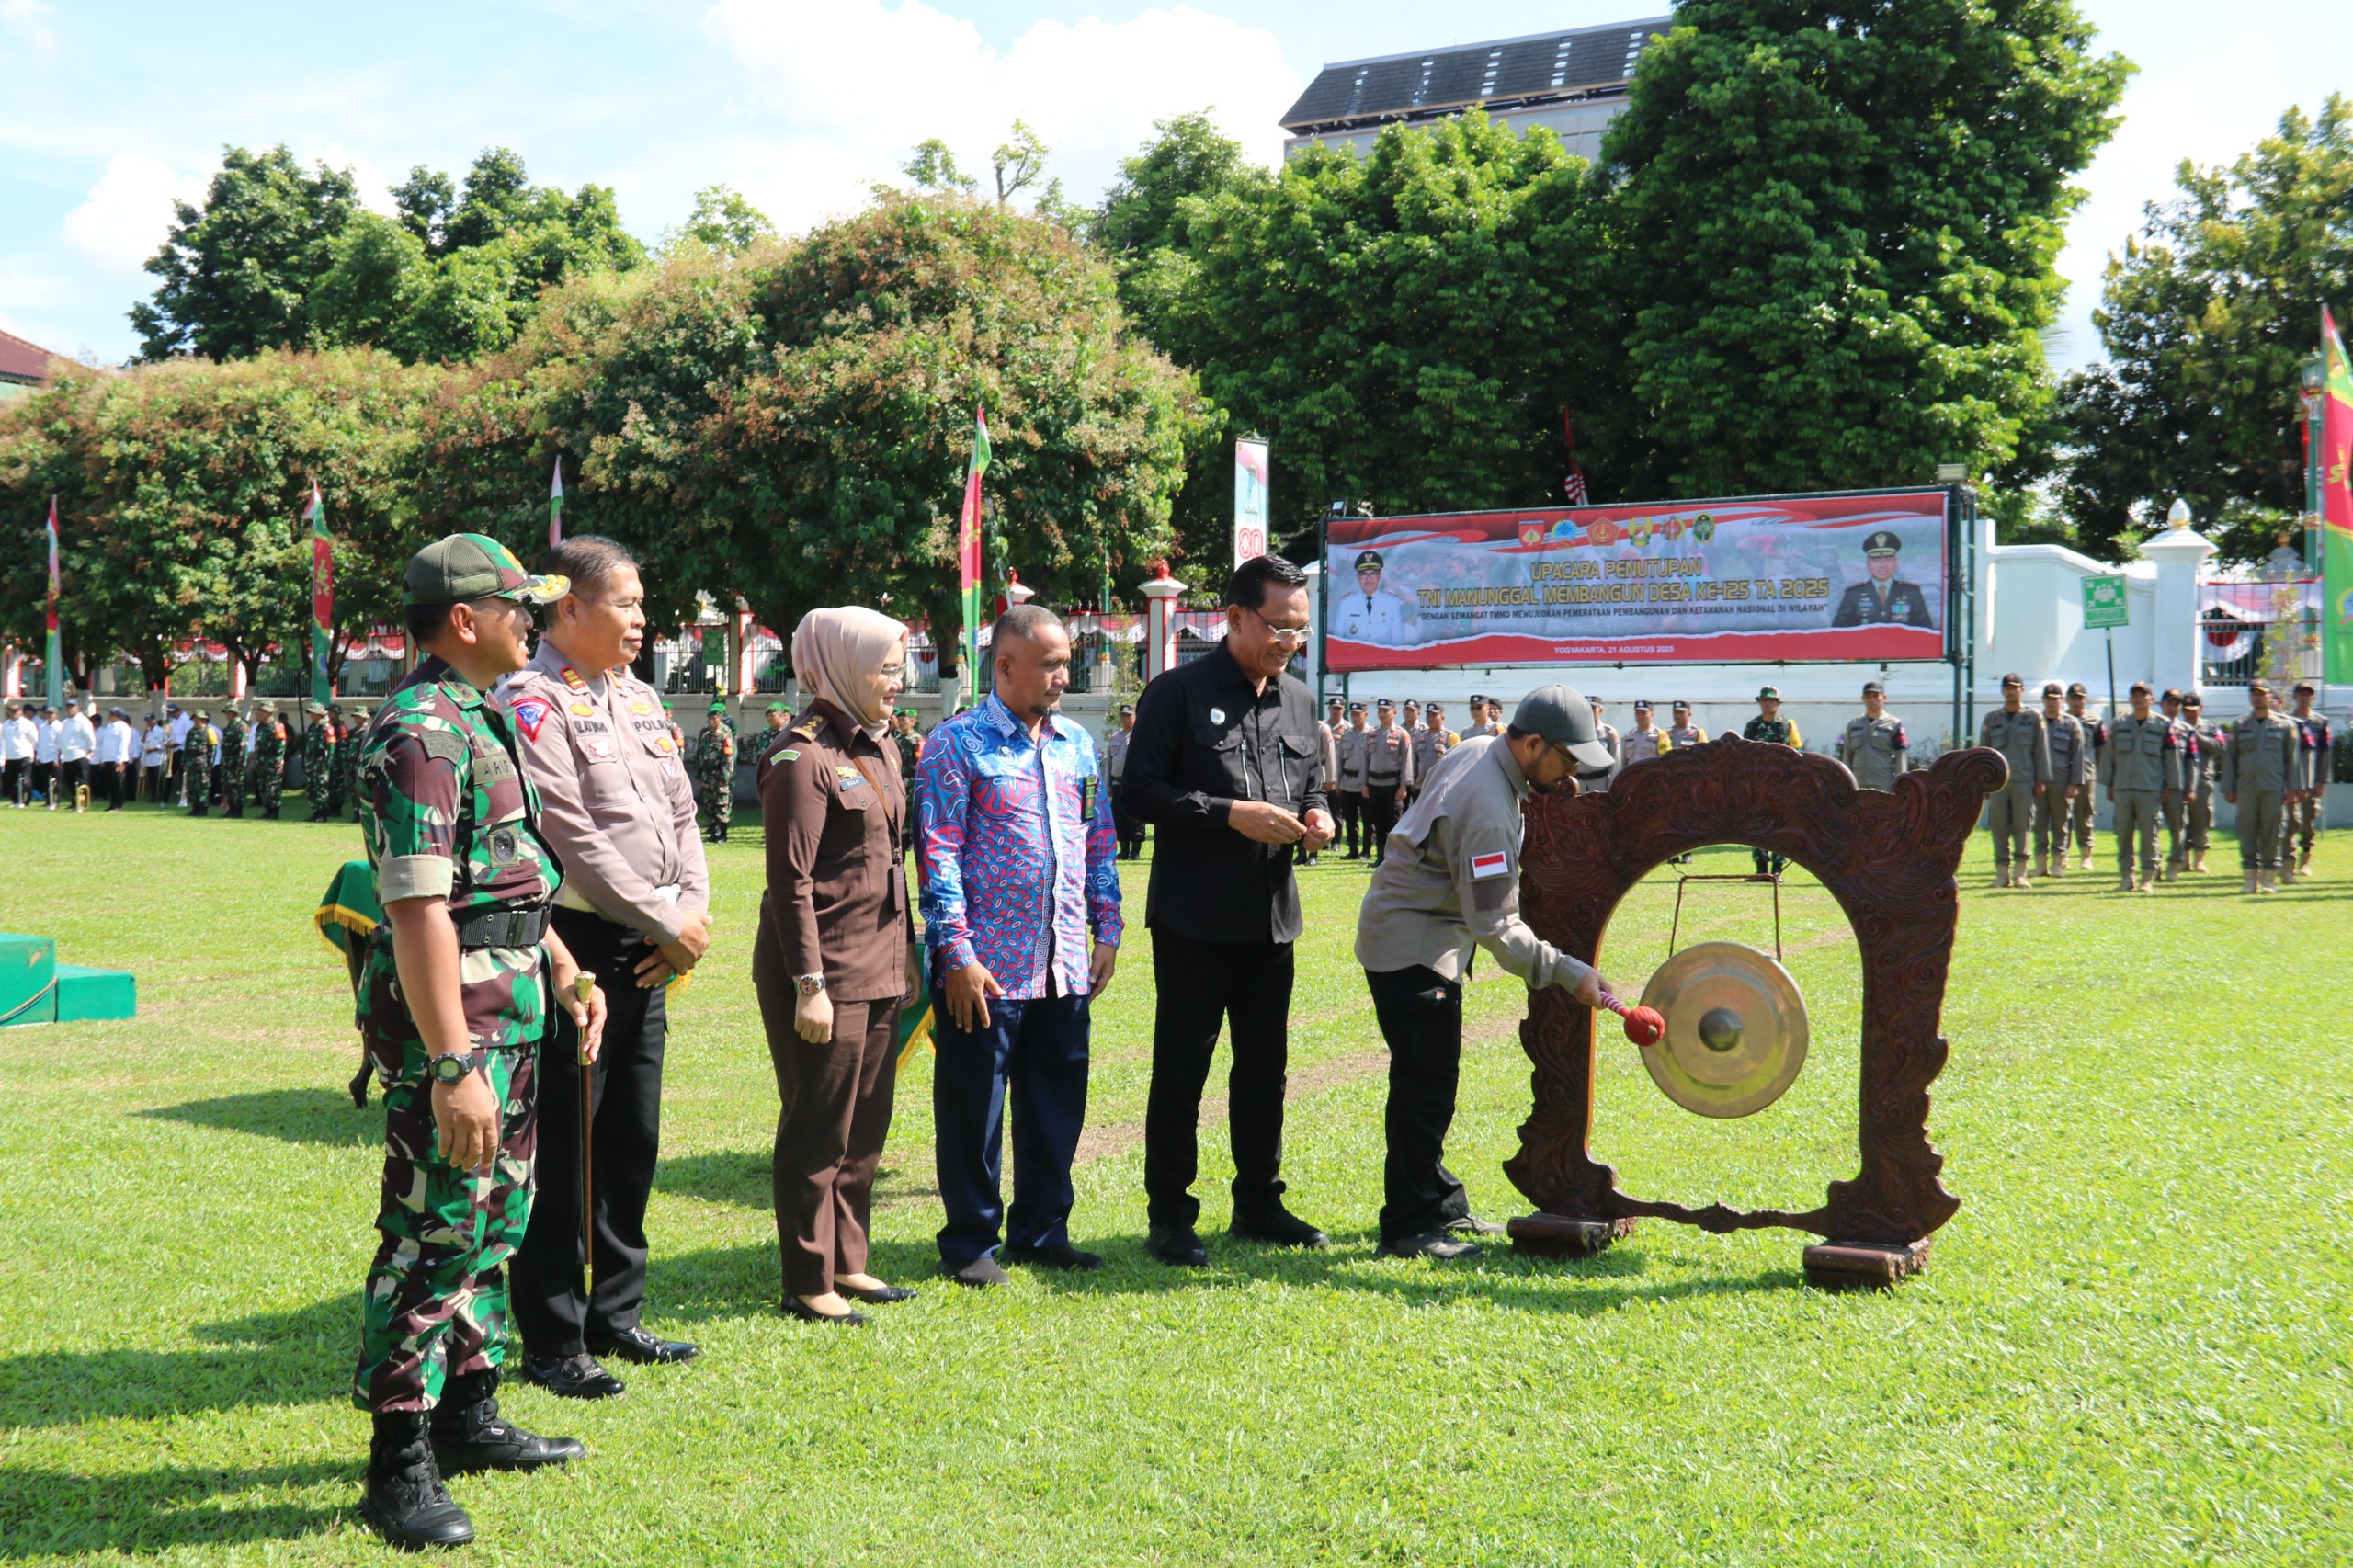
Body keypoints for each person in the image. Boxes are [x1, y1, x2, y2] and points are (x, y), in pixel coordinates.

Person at [348, 533, 605, 1551]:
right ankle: (398, 1456)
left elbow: (506, 879)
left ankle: (468, 1409)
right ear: (463, 620)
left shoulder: (477, 713)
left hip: (513, 1008)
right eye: (516, 605)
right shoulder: (420, 732)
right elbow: (419, 913)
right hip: (458, 1025)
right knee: (433, 1228)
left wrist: (567, 967)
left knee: (495, 1217)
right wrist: (454, 1063)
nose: (531, 620)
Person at [503, 536, 711, 1395]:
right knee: (566, 1146)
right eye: (625, 602)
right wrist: (666, 918)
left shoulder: (639, 696)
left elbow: (683, 811)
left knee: (631, 1137)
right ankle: (554, 1339)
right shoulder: (533, 701)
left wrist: (686, 914)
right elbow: (568, 837)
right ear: (571, 608)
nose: (641, 617)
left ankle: (615, 1317)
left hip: (651, 947)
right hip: (578, 949)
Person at [1120, 553, 1336, 1267]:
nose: (1287, 642)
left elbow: (1312, 783)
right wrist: (1226, 814)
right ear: (1236, 616)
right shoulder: (1175, 693)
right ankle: (1171, 1216)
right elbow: (1140, 793)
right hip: (1193, 918)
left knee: (1264, 1066)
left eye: (1298, 632)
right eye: (1277, 627)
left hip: (1272, 916)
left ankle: (1259, 1203)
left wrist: (1318, 812)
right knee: (1184, 1066)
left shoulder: (1300, 701)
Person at [1356, 687, 1622, 1258]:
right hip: (1413, 950)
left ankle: (1439, 1203)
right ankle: (1408, 1227)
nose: (1573, 771)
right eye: (1568, 758)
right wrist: (1571, 973)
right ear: (1531, 745)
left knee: (1427, 1082)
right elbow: (1498, 930)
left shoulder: (1480, 750)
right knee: (1424, 1090)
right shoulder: (1489, 808)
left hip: (1411, 934)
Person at [917, 605, 1120, 1288]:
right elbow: (938, 852)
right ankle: (971, 1240)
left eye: (1067, 661)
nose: (1064, 675)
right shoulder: (957, 743)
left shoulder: (1077, 746)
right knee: (976, 1107)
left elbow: (1099, 840)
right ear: (1004, 667)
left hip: (1064, 961)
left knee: (1057, 1101)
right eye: (1051, 663)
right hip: (986, 968)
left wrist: (1108, 929)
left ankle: (1042, 1230)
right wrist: (956, 953)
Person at [759, 607, 919, 1320]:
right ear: (843, 665)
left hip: (881, 964)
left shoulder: (878, 747)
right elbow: (790, 882)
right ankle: (808, 1279)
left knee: (864, 1129)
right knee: (818, 1129)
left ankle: (850, 1264)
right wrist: (810, 986)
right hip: (824, 973)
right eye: (884, 668)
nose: (897, 681)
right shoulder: (803, 757)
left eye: (898, 667)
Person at [2219, 680, 2300, 894]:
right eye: (2253, 694)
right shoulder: (2239, 725)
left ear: (2269, 697)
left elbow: (2292, 759)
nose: (2257, 697)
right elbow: (2231, 758)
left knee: (2272, 833)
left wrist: (2293, 788)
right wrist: (2228, 786)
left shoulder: (2285, 726)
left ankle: (2268, 879)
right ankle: (2249, 879)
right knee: (2247, 832)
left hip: (2273, 788)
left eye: (2261, 694)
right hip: (2246, 788)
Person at [2098, 681, 2180, 893]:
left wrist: (2172, 785)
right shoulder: (2119, 724)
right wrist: (2109, 783)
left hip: (2149, 788)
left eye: (2143, 695)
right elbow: (2110, 755)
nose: (2139, 698)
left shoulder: (2162, 725)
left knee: (2149, 835)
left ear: (2151, 699)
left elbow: (2171, 758)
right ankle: (2126, 877)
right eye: (2135, 695)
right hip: (2123, 787)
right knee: (2123, 834)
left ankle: (2147, 878)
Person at [1976, 674, 2050, 889]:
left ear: (2022, 691)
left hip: (2024, 781)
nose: (2011, 691)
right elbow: (1984, 752)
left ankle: (2020, 873)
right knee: (1999, 827)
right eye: (2007, 688)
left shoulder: (2033, 717)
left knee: (2022, 826)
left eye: (2015, 688)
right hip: (1998, 784)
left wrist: (2041, 779)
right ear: (2002, 691)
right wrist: (1984, 783)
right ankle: (2001, 874)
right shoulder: (1992, 718)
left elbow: (2041, 750)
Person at [1742, 687, 1802, 874]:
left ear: (1778, 703)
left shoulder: (1787, 725)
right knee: (1757, 823)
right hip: (1758, 784)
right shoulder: (1752, 726)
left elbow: (1797, 754)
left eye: (1773, 701)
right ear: (1760, 702)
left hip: (1781, 784)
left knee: (1781, 824)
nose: (1769, 704)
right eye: (1766, 700)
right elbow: (1744, 755)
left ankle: (1777, 867)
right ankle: (1761, 867)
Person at [2032, 682, 2087, 878]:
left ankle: (2057, 863)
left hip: (2061, 782)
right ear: (2043, 700)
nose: (2051, 703)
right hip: (2039, 782)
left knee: (2060, 824)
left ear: (2061, 701)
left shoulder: (2071, 724)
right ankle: (2040, 864)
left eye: (2055, 699)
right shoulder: (2034, 722)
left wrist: (2074, 783)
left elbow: (2078, 755)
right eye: (2048, 699)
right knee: (2038, 823)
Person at [1829, 529, 1937, 628]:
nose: (1882, 565)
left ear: (1895, 563)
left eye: (1888, 559)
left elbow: (1925, 631)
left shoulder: (1912, 593)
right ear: (1867, 564)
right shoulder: (1853, 594)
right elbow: (1839, 632)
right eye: (1876, 560)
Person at [2285, 681, 2330, 879]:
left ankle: (2305, 860)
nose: (2305, 697)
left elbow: (2325, 753)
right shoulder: (2285, 721)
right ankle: (2288, 861)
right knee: (2289, 821)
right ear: (2294, 697)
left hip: (2310, 780)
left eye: (2308, 694)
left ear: (2313, 698)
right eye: (2301, 694)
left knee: (2308, 821)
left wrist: (2322, 781)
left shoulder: (2320, 723)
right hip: (2289, 781)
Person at [1362, 698, 1415, 865]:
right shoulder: (1372, 733)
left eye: (1386, 711)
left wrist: (1404, 785)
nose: (1382, 714)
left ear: (1394, 712)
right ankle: (1380, 857)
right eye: (1380, 711)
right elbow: (1365, 760)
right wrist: (1364, 783)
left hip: (1392, 785)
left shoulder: (1401, 734)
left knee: (1394, 822)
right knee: (1378, 821)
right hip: (1374, 784)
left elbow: (1407, 760)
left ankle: (1396, 858)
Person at [2157, 688, 2199, 881]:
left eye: (2176, 704)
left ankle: (2174, 864)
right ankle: (2154, 865)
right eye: (2169, 703)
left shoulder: (2187, 731)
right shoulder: (2152, 726)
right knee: (2151, 828)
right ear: (2161, 705)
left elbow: (2192, 761)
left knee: (2178, 828)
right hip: (2154, 786)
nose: (2172, 707)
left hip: (2177, 788)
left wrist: (2190, 787)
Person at [1332, 550, 1415, 645]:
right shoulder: (1346, 604)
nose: (1369, 579)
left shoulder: (1392, 603)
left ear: (1379, 576)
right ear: (1358, 577)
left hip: (1383, 659)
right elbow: (1338, 642)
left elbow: (1397, 641)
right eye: (1364, 574)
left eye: (1373, 574)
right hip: (1355, 658)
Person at [1835, 681, 1906, 791]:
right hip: (1858, 783)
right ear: (1863, 699)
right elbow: (1847, 755)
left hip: (1883, 783)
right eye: (1868, 696)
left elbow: (1900, 757)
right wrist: (1845, 782)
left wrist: (1900, 784)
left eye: (1876, 696)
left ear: (1884, 698)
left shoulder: (1894, 724)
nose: (1872, 700)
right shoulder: (1854, 724)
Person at [2180, 692, 2223, 874]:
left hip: (2202, 780)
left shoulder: (2211, 727)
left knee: (2201, 820)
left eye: (2193, 710)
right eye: (2186, 710)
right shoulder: (2175, 727)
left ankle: (2199, 860)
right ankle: (2183, 859)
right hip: (2180, 780)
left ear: (2201, 709)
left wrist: (2199, 738)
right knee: (2180, 822)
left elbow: (2222, 748)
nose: (2189, 714)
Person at [2065, 683, 2103, 870]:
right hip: (2063, 773)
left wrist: (2099, 771)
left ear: (2085, 700)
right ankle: (2062, 854)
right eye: (2073, 697)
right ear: (2067, 699)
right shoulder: (2060, 719)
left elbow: (2102, 749)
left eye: (2080, 697)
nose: (2076, 701)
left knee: (2084, 814)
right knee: (2062, 816)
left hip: (2086, 773)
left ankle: (2085, 855)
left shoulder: (2095, 721)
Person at [691, 702, 737, 843]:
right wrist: (699, 774)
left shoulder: (725, 734)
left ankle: (723, 834)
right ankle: (714, 832)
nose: (711, 722)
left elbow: (728, 758)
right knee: (709, 804)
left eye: (714, 719)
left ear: (720, 719)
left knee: (721, 805)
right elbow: (700, 755)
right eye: (709, 719)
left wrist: (725, 777)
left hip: (719, 776)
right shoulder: (705, 735)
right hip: (707, 776)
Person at [1104, 703, 1144, 860]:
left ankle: (1135, 850)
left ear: (1135, 717)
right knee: (1119, 817)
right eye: (1123, 715)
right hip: (1117, 783)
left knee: (1135, 817)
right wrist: (1107, 785)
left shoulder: (1140, 736)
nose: (1126, 718)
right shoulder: (1115, 738)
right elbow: (1108, 763)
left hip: (1135, 783)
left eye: (1129, 715)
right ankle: (1124, 849)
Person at [1335, 701, 1370, 858]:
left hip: (1363, 784)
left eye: (1358, 714)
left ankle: (1367, 850)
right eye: (1353, 714)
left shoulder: (1371, 734)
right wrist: (1338, 783)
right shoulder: (1346, 735)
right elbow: (1339, 761)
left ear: (1366, 715)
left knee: (1368, 819)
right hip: (1347, 782)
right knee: (1350, 819)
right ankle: (1353, 849)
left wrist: (1367, 784)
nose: (1355, 717)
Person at [1574, 699, 1623, 793]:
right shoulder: (1576, 732)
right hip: (1580, 783)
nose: (1590, 712)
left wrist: (1613, 787)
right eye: (1587, 708)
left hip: (1600, 783)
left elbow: (1616, 763)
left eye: (1593, 708)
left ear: (1600, 710)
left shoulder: (1609, 733)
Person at [247, 703, 288, 818]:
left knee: (273, 787)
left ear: (269, 713)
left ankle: (274, 811)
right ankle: (267, 810)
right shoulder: (260, 726)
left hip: (272, 762)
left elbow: (281, 744)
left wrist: (279, 760)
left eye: (262, 711)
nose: (258, 713)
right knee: (263, 787)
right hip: (261, 762)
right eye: (258, 711)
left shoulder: (277, 726)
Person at [55, 698, 95, 812]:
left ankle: (82, 804)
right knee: (70, 781)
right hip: (68, 756)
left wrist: (90, 750)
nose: (70, 709)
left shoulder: (83, 721)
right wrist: (61, 752)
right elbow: (62, 739)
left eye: (72, 707)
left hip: (80, 754)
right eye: (68, 707)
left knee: (81, 780)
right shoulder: (65, 722)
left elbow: (89, 737)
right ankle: (74, 803)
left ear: (78, 708)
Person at [1411, 702, 1456, 801]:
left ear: (1442, 718)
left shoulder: (1451, 736)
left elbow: (1456, 763)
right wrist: (1413, 781)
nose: (1430, 718)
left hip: (1440, 785)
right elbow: (1414, 760)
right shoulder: (1419, 736)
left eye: (1434, 715)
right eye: (1428, 715)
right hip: (1421, 785)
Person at [96, 706, 135, 810]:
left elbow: (123, 744)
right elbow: (106, 744)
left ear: (118, 715)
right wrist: (103, 759)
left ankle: (118, 804)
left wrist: (120, 760)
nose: (109, 715)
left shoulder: (123, 727)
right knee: (110, 783)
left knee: (118, 783)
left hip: (117, 759)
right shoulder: (109, 727)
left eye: (112, 714)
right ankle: (112, 804)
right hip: (108, 758)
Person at [1620, 699, 1671, 768]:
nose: (1640, 716)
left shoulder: (1660, 735)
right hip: (1631, 776)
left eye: (1644, 713)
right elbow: (1622, 762)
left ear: (1652, 714)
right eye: (1638, 713)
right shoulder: (1628, 735)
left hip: (1651, 776)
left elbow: (1667, 761)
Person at [218, 706, 248, 818]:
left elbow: (243, 747)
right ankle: (231, 809)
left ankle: (237, 810)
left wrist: (241, 764)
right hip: (227, 762)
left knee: (236, 787)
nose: (226, 715)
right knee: (228, 787)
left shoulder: (241, 727)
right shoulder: (230, 726)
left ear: (234, 713)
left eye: (228, 713)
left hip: (235, 762)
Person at [2, 700, 32, 806]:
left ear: (21, 712)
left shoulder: (27, 723)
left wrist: (30, 752)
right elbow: (3, 740)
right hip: (10, 755)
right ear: (9, 712)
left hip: (24, 754)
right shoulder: (5, 725)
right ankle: (15, 800)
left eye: (16, 711)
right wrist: (2, 757)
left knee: (24, 780)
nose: (14, 713)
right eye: (12, 711)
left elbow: (34, 738)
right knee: (12, 780)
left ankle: (25, 801)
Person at [31, 703, 60, 808]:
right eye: (48, 713)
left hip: (53, 757)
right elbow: (40, 743)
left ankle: (56, 801)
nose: (50, 716)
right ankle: (48, 800)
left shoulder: (59, 726)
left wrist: (57, 759)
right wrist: (38, 756)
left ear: (56, 715)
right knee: (46, 781)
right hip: (44, 757)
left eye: (52, 714)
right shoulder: (42, 726)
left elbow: (59, 744)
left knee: (55, 781)